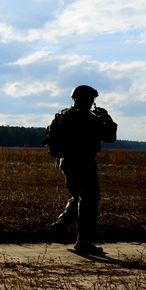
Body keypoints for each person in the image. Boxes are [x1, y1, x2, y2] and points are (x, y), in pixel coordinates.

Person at [49, 85, 118, 255]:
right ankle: (83, 241)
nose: (93, 102)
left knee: (79, 195)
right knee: (89, 199)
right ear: (87, 100)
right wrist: (106, 118)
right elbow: (110, 137)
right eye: (92, 99)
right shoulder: (88, 118)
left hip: (65, 162)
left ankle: (62, 223)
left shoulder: (63, 115)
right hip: (83, 162)